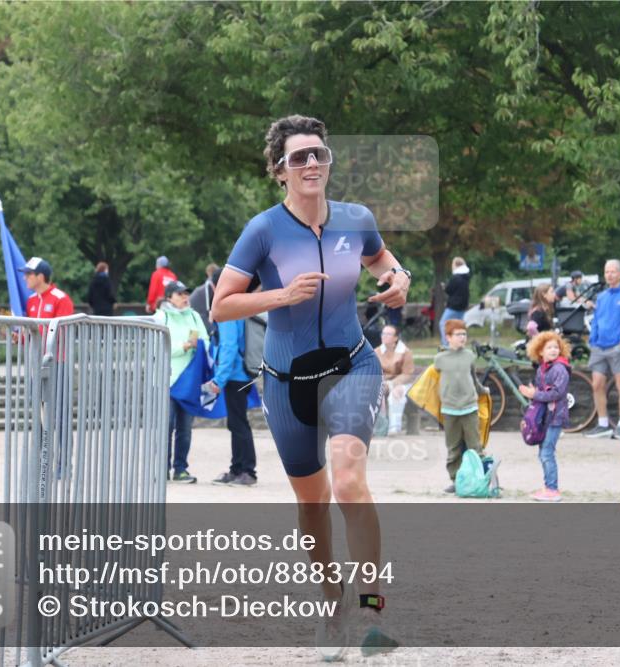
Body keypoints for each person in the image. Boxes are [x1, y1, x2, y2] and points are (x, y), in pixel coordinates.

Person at [211, 114, 408, 659]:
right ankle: (331, 601)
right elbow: (221, 305)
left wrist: (399, 278)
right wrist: (282, 295)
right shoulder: (263, 230)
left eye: (319, 154)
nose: (312, 164)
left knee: (348, 479)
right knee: (312, 503)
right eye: (299, 157)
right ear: (280, 170)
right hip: (286, 381)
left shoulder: (356, 218)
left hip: (352, 366)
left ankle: (371, 611)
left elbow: (382, 259)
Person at [154, 280, 209, 484]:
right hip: (167, 381)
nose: (185, 297)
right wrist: (184, 346)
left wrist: (198, 344)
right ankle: (161, 469)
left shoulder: (194, 316)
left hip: (189, 382)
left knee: (185, 429)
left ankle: (180, 469)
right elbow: (157, 345)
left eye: (186, 293)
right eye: (180, 294)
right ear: (169, 298)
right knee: (166, 427)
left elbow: (207, 342)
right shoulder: (161, 317)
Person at [206, 272, 258, 488]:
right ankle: (237, 469)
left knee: (238, 424)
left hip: (234, 375)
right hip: (244, 372)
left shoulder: (227, 309)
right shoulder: (241, 304)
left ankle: (247, 471)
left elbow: (228, 346)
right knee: (237, 422)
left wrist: (219, 379)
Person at [583, 259, 620, 439]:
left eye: (613, 271)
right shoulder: (601, 296)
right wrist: (593, 339)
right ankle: (603, 424)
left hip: (618, 346)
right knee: (597, 384)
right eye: (607, 271)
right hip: (599, 346)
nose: (609, 275)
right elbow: (597, 319)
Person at [435, 319, 489, 494]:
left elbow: (473, 379)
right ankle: (456, 481)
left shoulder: (469, 356)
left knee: (476, 446)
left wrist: (483, 391)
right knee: (453, 448)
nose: (462, 337)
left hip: (469, 407)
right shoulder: (439, 359)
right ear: (448, 337)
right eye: (458, 334)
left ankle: (481, 479)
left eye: (464, 334)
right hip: (449, 409)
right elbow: (432, 380)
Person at [518, 331, 571, 502]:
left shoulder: (559, 369)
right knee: (544, 452)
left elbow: (557, 393)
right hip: (546, 417)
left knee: (547, 453)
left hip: (556, 418)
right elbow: (541, 391)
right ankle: (549, 486)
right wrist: (533, 391)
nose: (554, 350)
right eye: (549, 347)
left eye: (556, 347)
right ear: (540, 351)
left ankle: (552, 489)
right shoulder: (542, 369)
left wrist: (534, 394)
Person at [375, 324, 415, 436]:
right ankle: (377, 427)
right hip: (382, 383)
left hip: (403, 383)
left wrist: (391, 384)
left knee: (396, 393)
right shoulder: (376, 352)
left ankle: (394, 428)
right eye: (383, 333)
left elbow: (407, 375)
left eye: (388, 334)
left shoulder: (405, 352)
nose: (384, 336)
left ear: (395, 338)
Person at [19, 257, 75, 321]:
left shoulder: (61, 299)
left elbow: (64, 326)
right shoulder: (31, 299)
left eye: (28, 274)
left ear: (40, 277)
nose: (24, 278)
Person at [439, 257, 471, 347]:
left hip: (454, 306)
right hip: (462, 306)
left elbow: (449, 290)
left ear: (456, 265)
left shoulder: (456, 277)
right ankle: (459, 344)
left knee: (443, 324)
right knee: (459, 326)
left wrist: (444, 287)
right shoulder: (466, 277)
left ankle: (446, 345)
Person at [189, 262, 220, 330]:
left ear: (208, 273)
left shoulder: (208, 285)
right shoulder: (210, 285)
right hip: (200, 311)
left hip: (196, 311)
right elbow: (208, 309)